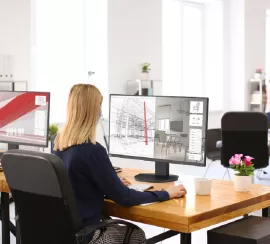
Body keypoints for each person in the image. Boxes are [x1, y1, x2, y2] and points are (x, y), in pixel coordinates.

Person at [52, 84, 187, 244]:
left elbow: (75, 183)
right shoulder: (92, 150)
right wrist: (166, 193)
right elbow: (125, 198)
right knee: (136, 235)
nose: (101, 111)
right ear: (92, 110)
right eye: (99, 105)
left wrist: (110, 184)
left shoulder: (58, 143)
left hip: (63, 233)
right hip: (87, 235)